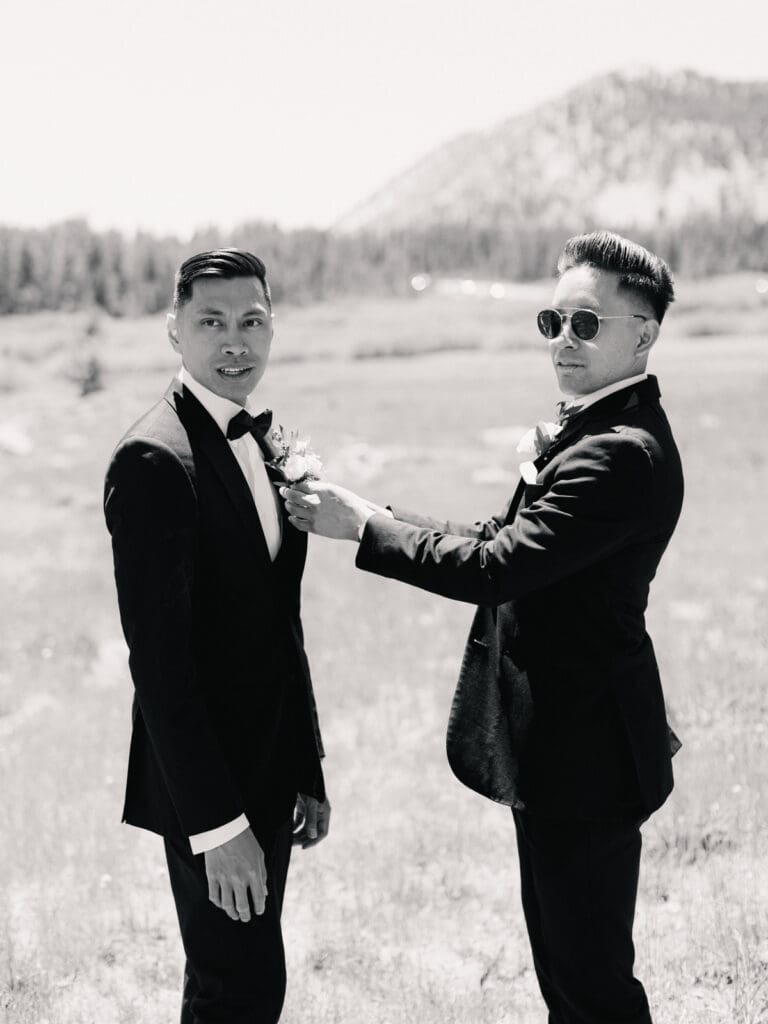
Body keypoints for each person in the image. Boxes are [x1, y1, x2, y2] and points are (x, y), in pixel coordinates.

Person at [281, 231, 683, 1024]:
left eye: (587, 324)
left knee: (592, 985)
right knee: (569, 975)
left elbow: (496, 570)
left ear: (644, 332)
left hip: (588, 754)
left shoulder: (619, 453)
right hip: (571, 749)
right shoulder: (597, 430)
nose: (563, 342)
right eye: (552, 321)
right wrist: (372, 513)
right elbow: (497, 540)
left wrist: (361, 533)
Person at [104, 249, 330, 1024]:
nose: (236, 342)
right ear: (174, 330)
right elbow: (160, 668)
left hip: (270, 765)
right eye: (211, 322)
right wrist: (217, 827)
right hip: (212, 791)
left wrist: (308, 764)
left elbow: (279, 625)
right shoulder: (153, 459)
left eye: (252, 321)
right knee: (232, 991)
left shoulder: (265, 444)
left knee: (252, 981)